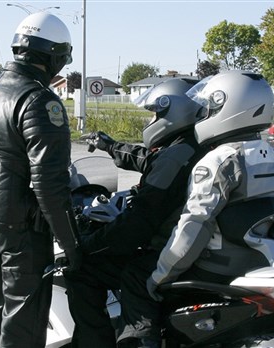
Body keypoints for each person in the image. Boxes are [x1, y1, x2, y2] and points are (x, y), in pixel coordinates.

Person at [116, 70, 274, 348]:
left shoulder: (218, 162)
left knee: (133, 276)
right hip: (260, 267)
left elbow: (193, 229)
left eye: (207, 108)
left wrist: (160, 275)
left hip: (214, 269)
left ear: (227, 107)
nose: (202, 114)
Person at [64, 78, 209, 348]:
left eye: (155, 112)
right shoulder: (196, 146)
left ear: (172, 111)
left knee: (84, 271)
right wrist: (110, 146)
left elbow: (137, 225)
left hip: (169, 251)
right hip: (201, 249)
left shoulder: (176, 155)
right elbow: (148, 159)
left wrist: (88, 245)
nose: (152, 119)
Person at [0, 12, 80, 348]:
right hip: (21, 233)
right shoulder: (38, 100)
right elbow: (50, 184)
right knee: (23, 328)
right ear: (54, 56)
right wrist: (71, 245)